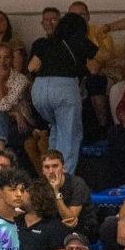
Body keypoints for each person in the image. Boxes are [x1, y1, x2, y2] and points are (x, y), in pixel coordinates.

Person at [28, 13, 95, 169]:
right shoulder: (78, 41)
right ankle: (64, 180)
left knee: (56, 129)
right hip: (64, 89)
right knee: (70, 137)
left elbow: (32, 67)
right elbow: (94, 66)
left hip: (39, 91)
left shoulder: (45, 43)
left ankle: (51, 173)